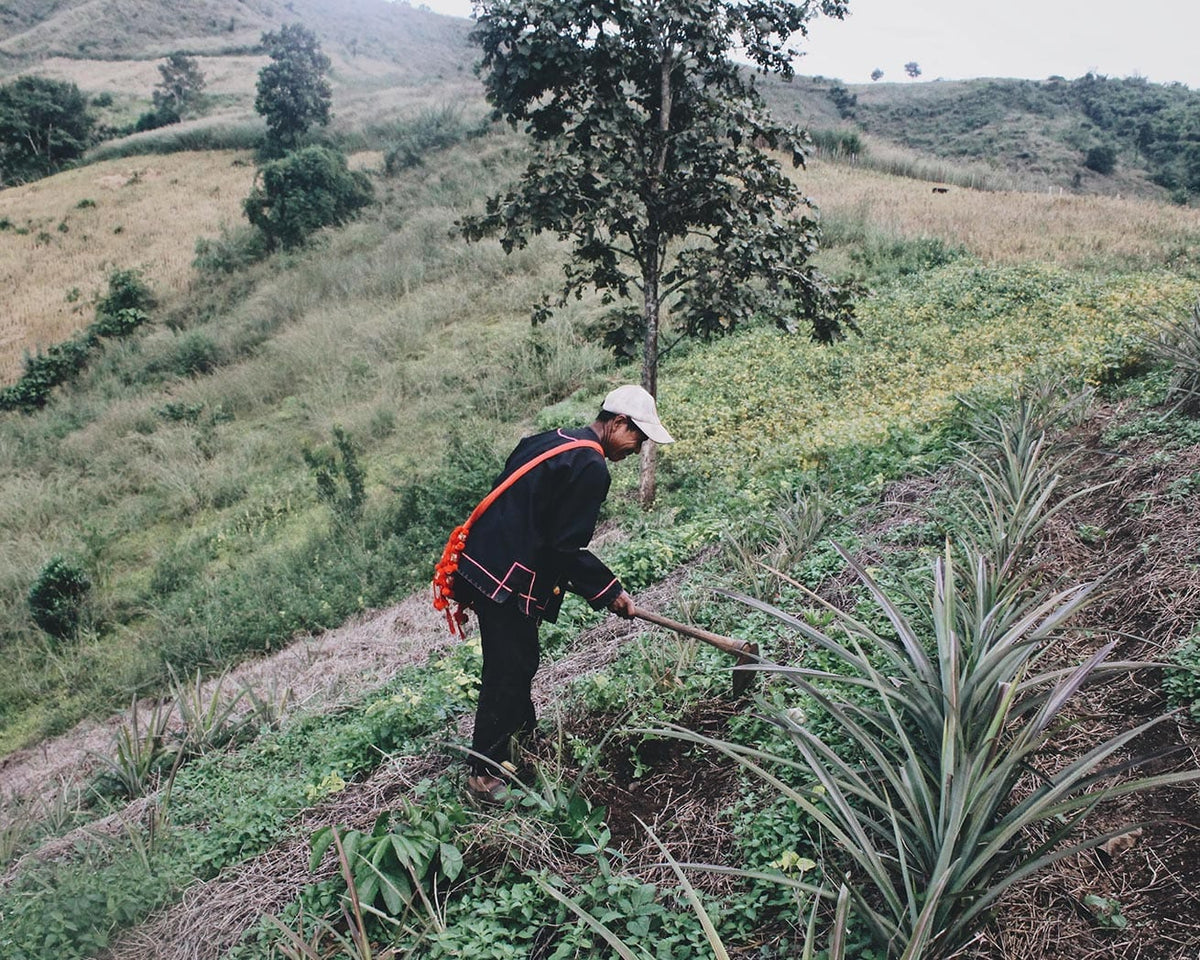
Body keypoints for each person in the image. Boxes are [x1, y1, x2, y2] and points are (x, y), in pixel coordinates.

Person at [451, 384, 674, 803]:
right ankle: (483, 774)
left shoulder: (552, 440)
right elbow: (565, 547)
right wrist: (610, 592)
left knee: (519, 660)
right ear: (618, 422)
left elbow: (533, 517)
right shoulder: (590, 465)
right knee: (508, 669)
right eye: (637, 437)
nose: (636, 448)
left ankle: (520, 741)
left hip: (486, 565)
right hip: (506, 579)